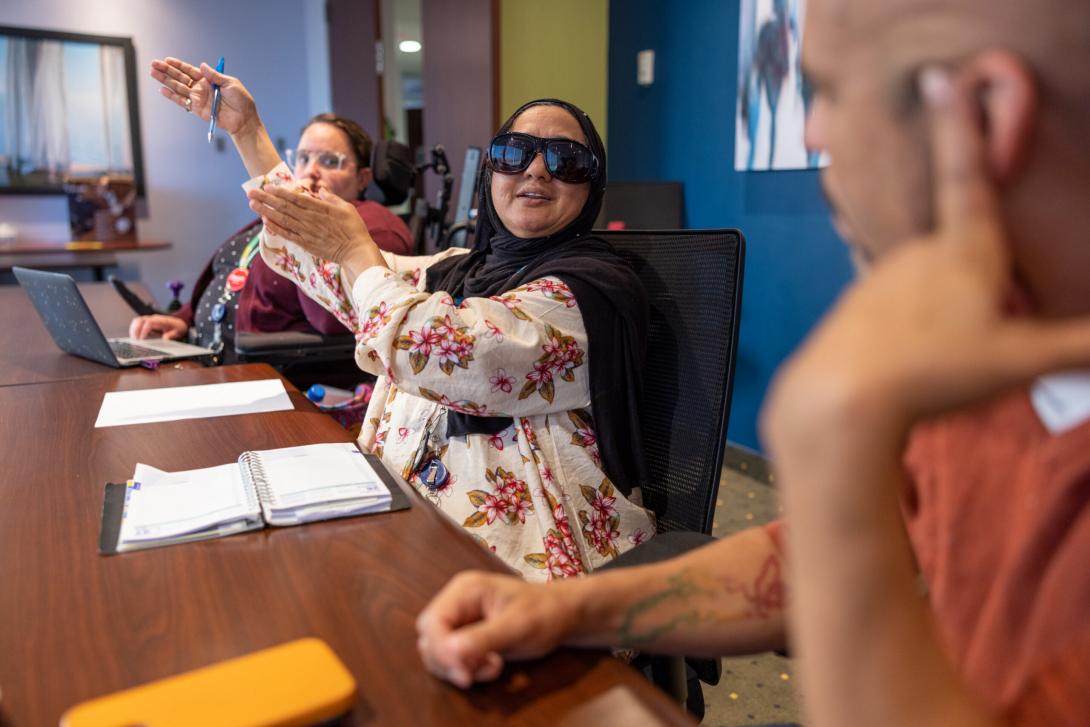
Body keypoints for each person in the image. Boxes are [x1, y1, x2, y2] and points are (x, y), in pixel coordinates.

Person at [412, 1, 1090, 725]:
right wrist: (558, 608)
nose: (813, 133)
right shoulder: (990, 361)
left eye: (826, 91)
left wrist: (834, 449)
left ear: (984, 111)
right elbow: (812, 567)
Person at [155, 60, 659, 580]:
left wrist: (356, 248)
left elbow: (454, 349)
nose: (536, 170)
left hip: (520, 561)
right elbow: (338, 268)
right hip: (406, 524)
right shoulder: (458, 270)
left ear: (592, 185)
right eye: (514, 153)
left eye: (566, 159)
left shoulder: (588, 293)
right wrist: (249, 133)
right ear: (492, 173)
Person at [131, 58, 412, 362]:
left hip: (266, 372)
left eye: (330, 161)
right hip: (201, 351)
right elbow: (231, 272)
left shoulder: (374, 225)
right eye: (303, 158)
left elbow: (334, 319)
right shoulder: (274, 218)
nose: (311, 171)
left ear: (362, 178)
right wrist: (184, 319)